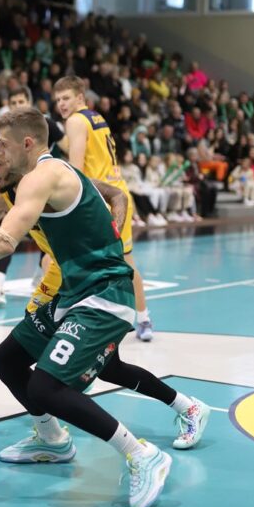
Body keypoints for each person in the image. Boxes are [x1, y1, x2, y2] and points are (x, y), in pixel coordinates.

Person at [0, 108, 210, 507]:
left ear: (27, 143)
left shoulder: (46, 173)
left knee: (46, 387)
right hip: (74, 291)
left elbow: (5, 239)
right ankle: (52, 440)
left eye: (2, 144)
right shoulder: (12, 186)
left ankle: (142, 454)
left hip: (105, 293)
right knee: (7, 359)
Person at [54, 75, 155, 341]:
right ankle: (143, 318)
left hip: (99, 201)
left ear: (80, 97)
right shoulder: (95, 117)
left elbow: (76, 168)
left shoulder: (74, 121)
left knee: (63, 261)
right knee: (124, 261)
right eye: (58, 100)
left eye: (66, 98)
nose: (61, 104)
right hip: (118, 193)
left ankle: (67, 319)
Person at [0, 86, 66, 307]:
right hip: (18, 185)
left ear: (29, 101)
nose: (17, 106)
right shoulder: (8, 128)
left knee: (48, 231)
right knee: (8, 229)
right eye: (13, 103)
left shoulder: (46, 124)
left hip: (43, 186)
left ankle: (43, 277)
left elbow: (68, 146)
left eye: (21, 102)